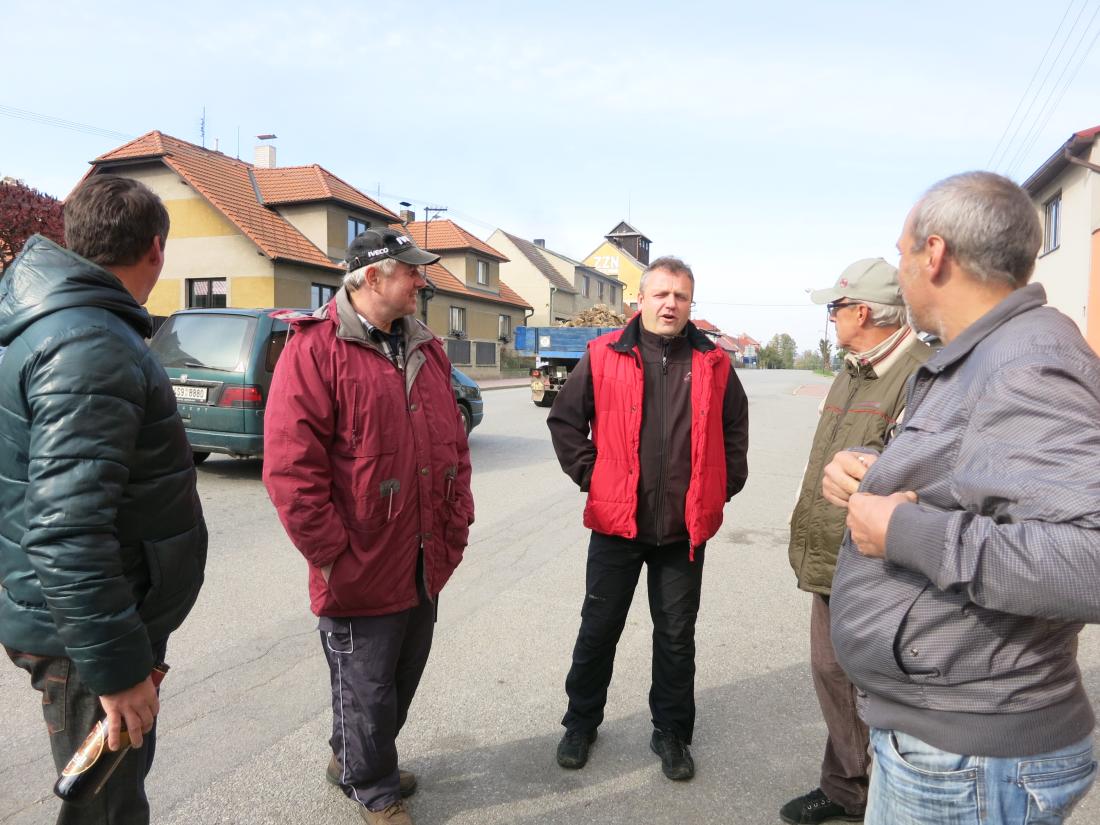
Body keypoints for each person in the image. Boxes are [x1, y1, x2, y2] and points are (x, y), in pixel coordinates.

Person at [827, 171, 1100, 824]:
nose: (899, 272)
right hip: (948, 743)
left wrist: (902, 530)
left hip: (970, 761)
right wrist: (876, 475)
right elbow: (982, 481)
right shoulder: (985, 354)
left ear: (935, 254)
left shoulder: (1025, 363)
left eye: (901, 252)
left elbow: (1089, 559)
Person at [0, 174, 208, 825]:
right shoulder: (90, 343)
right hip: (89, 638)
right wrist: (118, 669)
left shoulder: (67, 326)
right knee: (108, 811)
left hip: (85, 623)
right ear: (156, 249)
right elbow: (68, 528)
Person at [263, 228, 474, 825]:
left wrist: (457, 519)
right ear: (372, 278)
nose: (422, 281)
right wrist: (332, 555)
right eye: (411, 271)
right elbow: (290, 469)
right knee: (368, 686)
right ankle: (375, 790)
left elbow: (453, 445)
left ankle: (354, 758)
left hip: (423, 551)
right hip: (360, 559)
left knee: (402, 673)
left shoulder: (426, 348)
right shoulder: (315, 349)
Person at [547, 255, 749, 781]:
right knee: (599, 629)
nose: (670, 304)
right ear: (641, 300)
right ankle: (580, 723)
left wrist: (721, 488)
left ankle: (672, 732)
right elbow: (565, 422)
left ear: (690, 304)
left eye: (681, 296)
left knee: (677, 637)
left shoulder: (713, 362)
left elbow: (734, 430)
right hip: (618, 525)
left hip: (683, 531)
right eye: (661, 294)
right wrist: (594, 478)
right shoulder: (604, 354)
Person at [781, 259, 929, 824]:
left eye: (835, 308)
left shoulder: (922, 375)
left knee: (870, 682)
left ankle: (879, 795)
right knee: (833, 674)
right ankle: (847, 786)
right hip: (832, 555)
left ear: (862, 312)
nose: (831, 318)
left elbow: (918, 480)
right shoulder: (851, 370)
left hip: (879, 564)